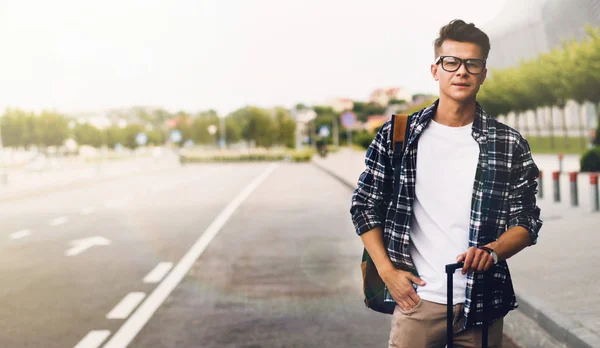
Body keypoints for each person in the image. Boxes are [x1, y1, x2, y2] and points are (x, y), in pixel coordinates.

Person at [350, 19, 543, 348]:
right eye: (451, 62)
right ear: (435, 70)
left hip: (482, 303)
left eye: (473, 63)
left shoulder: (507, 143)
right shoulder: (399, 134)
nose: (461, 71)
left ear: (483, 72)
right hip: (419, 301)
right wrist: (387, 272)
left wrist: (493, 251)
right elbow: (365, 206)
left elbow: (526, 220)